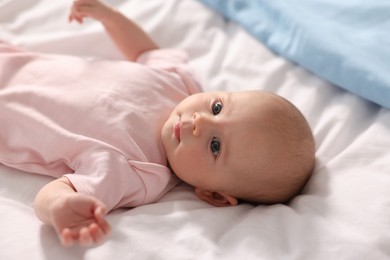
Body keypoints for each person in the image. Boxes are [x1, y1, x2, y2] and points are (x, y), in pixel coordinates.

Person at [0, 0, 315, 247]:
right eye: (217, 107)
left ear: (214, 195)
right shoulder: (181, 82)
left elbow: (61, 189)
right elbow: (146, 51)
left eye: (215, 146)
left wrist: (58, 208)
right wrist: (110, 17)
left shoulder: (135, 172)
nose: (200, 122)